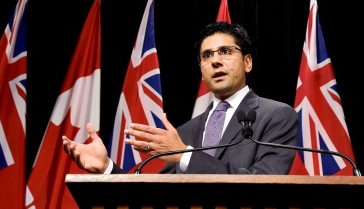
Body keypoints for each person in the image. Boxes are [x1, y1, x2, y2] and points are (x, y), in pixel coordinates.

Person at [62, 21, 298, 174]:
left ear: (247, 62)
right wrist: (107, 168)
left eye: (225, 52)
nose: (215, 60)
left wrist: (185, 155)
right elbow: (156, 197)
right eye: (206, 56)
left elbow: (264, 182)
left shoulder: (276, 115)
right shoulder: (185, 132)